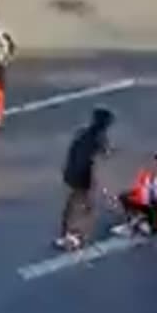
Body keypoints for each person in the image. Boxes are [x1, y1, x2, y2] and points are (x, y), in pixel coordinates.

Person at [55, 107, 115, 251]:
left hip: (71, 172)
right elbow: (104, 156)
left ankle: (66, 233)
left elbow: (73, 150)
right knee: (87, 207)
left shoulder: (82, 132)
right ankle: (75, 236)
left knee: (72, 203)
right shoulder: (100, 138)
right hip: (84, 176)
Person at [113, 152, 157, 237]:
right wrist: (123, 195)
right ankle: (133, 219)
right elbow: (138, 189)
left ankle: (152, 227)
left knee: (154, 205)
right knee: (123, 197)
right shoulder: (147, 176)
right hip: (144, 203)